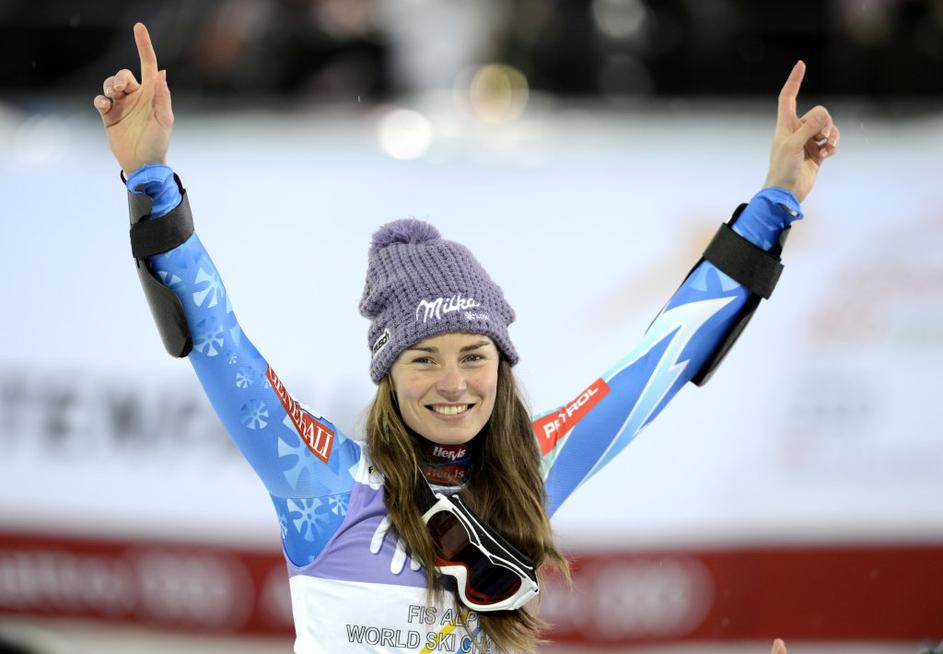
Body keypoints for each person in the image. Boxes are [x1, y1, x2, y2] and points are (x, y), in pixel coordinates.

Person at [94, 22, 838, 654]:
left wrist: (774, 204)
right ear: (388, 374)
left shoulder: (532, 472)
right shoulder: (321, 484)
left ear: (501, 365)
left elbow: (662, 361)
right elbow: (216, 340)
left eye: (474, 356)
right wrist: (150, 179)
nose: (454, 384)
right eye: (424, 359)